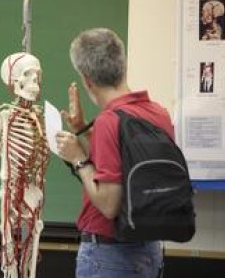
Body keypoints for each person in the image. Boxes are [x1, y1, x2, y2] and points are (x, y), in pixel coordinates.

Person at [55, 28, 168, 278]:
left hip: (110, 257)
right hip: (150, 252)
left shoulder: (108, 121)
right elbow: (127, 163)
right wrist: (83, 130)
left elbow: (109, 204)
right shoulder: (158, 113)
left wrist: (78, 159)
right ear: (123, 64)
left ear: (87, 80)